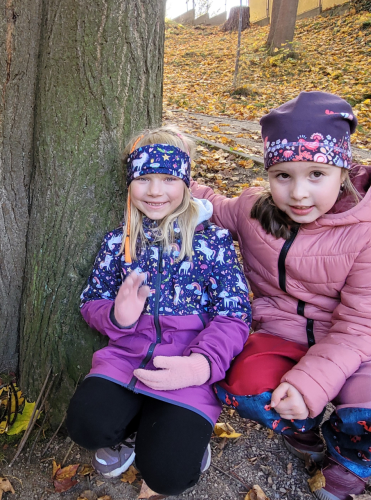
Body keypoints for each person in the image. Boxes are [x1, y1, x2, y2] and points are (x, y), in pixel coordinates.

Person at [191, 91, 371, 500]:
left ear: (341, 171)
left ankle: (350, 458)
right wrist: (166, 176)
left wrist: (312, 384)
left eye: (316, 175)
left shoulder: (366, 229)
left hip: (358, 345)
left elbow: (360, 325)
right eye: (283, 175)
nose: (299, 193)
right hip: (282, 333)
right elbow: (211, 203)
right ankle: (301, 427)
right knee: (244, 385)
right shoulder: (254, 210)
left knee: (367, 414)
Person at [66, 126, 252, 496]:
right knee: (85, 425)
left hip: (189, 369)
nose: (155, 191)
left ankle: (176, 437)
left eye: (168, 178)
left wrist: (203, 364)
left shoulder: (212, 242)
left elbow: (235, 312)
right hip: (126, 359)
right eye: (144, 178)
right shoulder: (119, 241)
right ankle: (128, 434)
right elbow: (91, 301)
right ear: (129, 182)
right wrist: (118, 316)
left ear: (186, 181)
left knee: (168, 474)